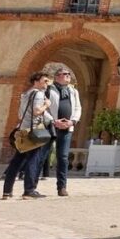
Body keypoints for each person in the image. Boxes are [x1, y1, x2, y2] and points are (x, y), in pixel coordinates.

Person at [2, 71, 53, 199]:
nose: (47, 83)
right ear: (36, 81)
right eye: (45, 81)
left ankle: (7, 191)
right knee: (33, 160)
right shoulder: (39, 94)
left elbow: (20, 114)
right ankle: (29, 190)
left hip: (22, 130)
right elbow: (36, 112)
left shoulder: (26, 94)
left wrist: (51, 119)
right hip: (33, 132)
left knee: (16, 161)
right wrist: (46, 105)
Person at [40, 65, 81, 197]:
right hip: (50, 126)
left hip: (67, 127)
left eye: (69, 74)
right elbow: (43, 108)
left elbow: (77, 108)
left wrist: (72, 121)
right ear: (57, 77)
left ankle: (61, 187)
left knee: (63, 157)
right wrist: (53, 121)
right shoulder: (49, 90)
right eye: (65, 74)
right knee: (41, 155)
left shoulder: (73, 91)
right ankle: (31, 186)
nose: (68, 75)